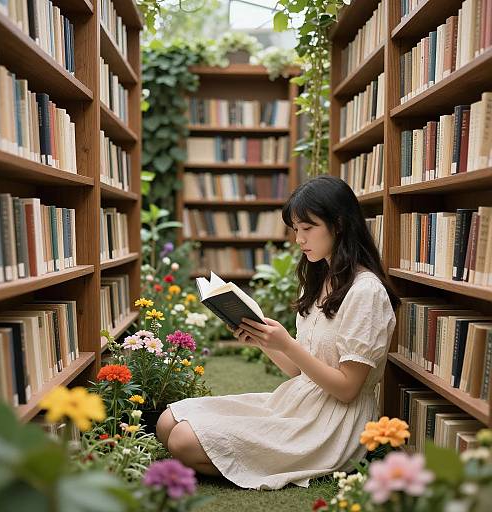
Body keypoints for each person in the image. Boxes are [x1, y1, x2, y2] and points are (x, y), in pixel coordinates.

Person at [156, 175, 400, 490]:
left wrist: (286, 342)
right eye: (295, 229)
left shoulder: (366, 292)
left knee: (183, 441)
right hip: (299, 403)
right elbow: (297, 370)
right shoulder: (321, 278)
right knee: (167, 422)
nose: (299, 239)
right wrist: (263, 339)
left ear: (338, 224)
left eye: (307, 228)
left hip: (334, 423)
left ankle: (250, 462)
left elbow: (347, 389)